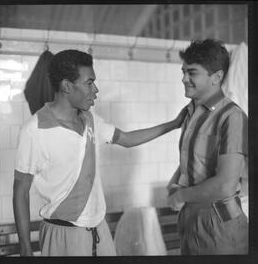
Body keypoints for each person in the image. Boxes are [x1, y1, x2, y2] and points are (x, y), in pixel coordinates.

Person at [13, 49, 187, 256]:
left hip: (99, 229)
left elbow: (128, 139)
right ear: (67, 86)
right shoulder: (34, 130)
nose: (95, 90)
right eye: (89, 82)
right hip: (63, 232)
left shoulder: (90, 119)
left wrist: (175, 123)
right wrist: (25, 246)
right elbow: (20, 191)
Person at [166, 39, 248, 255]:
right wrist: (175, 183)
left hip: (219, 222)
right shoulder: (191, 112)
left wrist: (181, 196)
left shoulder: (232, 116)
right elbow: (193, 160)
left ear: (217, 77)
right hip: (190, 217)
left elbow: (225, 186)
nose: (184, 79)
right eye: (183, 71)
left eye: (192, 73)